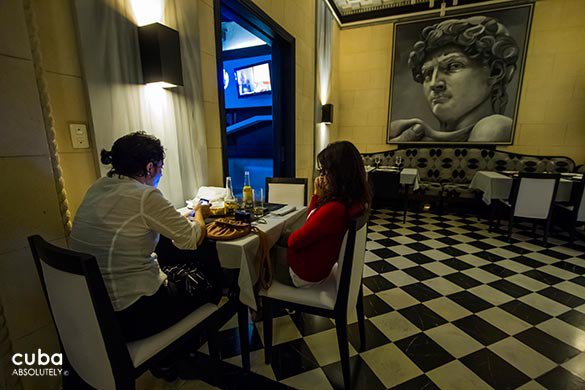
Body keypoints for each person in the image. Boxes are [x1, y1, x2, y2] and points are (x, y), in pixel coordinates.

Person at [70, 131, 220, 342]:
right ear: (150, 167)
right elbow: (192, 238)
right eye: (160, 167)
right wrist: (199, 212)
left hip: (96, 309)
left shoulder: (97, 187)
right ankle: (181, 349)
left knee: (167, 258)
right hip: (134, 313)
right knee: (211, 279)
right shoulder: (145, 195)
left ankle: (173, 354)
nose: (160, 173)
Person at [390, 16, 520, 143]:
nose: (435, 83)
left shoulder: (495, 127)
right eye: (427, 73)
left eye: (453, 66)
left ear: (495, 71)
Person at [273, 141, 371, 288]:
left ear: (339, 174)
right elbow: (310, 224)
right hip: (318, 266)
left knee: (257, 255)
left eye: (326, 171)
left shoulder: (333, 210)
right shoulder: (352, 202)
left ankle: (257, 302)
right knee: (279, 238)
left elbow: (295, 241)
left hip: (303, 273)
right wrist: (318, 197)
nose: (323, 176)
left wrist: (316, 197)